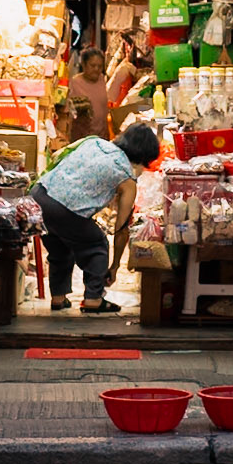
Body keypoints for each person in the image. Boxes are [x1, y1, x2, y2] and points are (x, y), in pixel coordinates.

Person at [30, 125, 159, 314]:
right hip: (64, 208)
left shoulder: (94, 142)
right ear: (144, 157)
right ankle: (93, 298)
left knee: (60, 247)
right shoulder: (127, 177)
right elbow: (121, 228)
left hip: (39, 196)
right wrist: (114, 266)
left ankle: (58, 298)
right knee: (97, 244)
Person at [68, 48, 110, 142]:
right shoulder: (74, 83)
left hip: (101, 138)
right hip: (81, 140)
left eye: (99, 66)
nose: (96, 69)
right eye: (93, 65)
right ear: (84, 64)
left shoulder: (103, 80)